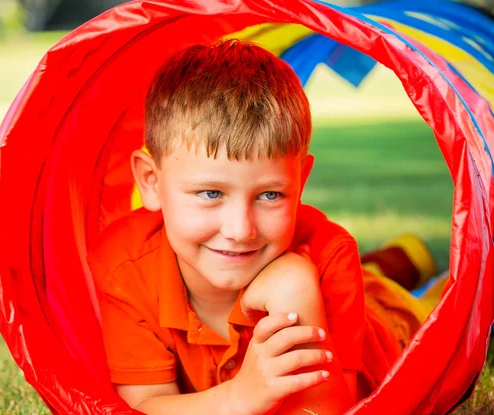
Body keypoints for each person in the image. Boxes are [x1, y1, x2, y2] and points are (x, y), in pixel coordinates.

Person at [88, 39, 439, 415]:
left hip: (382, 331)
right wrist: (239, 397)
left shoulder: (327, 257)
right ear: (151, 182)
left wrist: (297, 288)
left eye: (270, 195)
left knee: (410, 313)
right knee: (372, 281)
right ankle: (393, 261)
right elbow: (140, 406)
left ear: (299, 182)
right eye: (210, 193)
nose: (241, 230)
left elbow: (322, 412)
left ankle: (410, 272)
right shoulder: (123, 264)